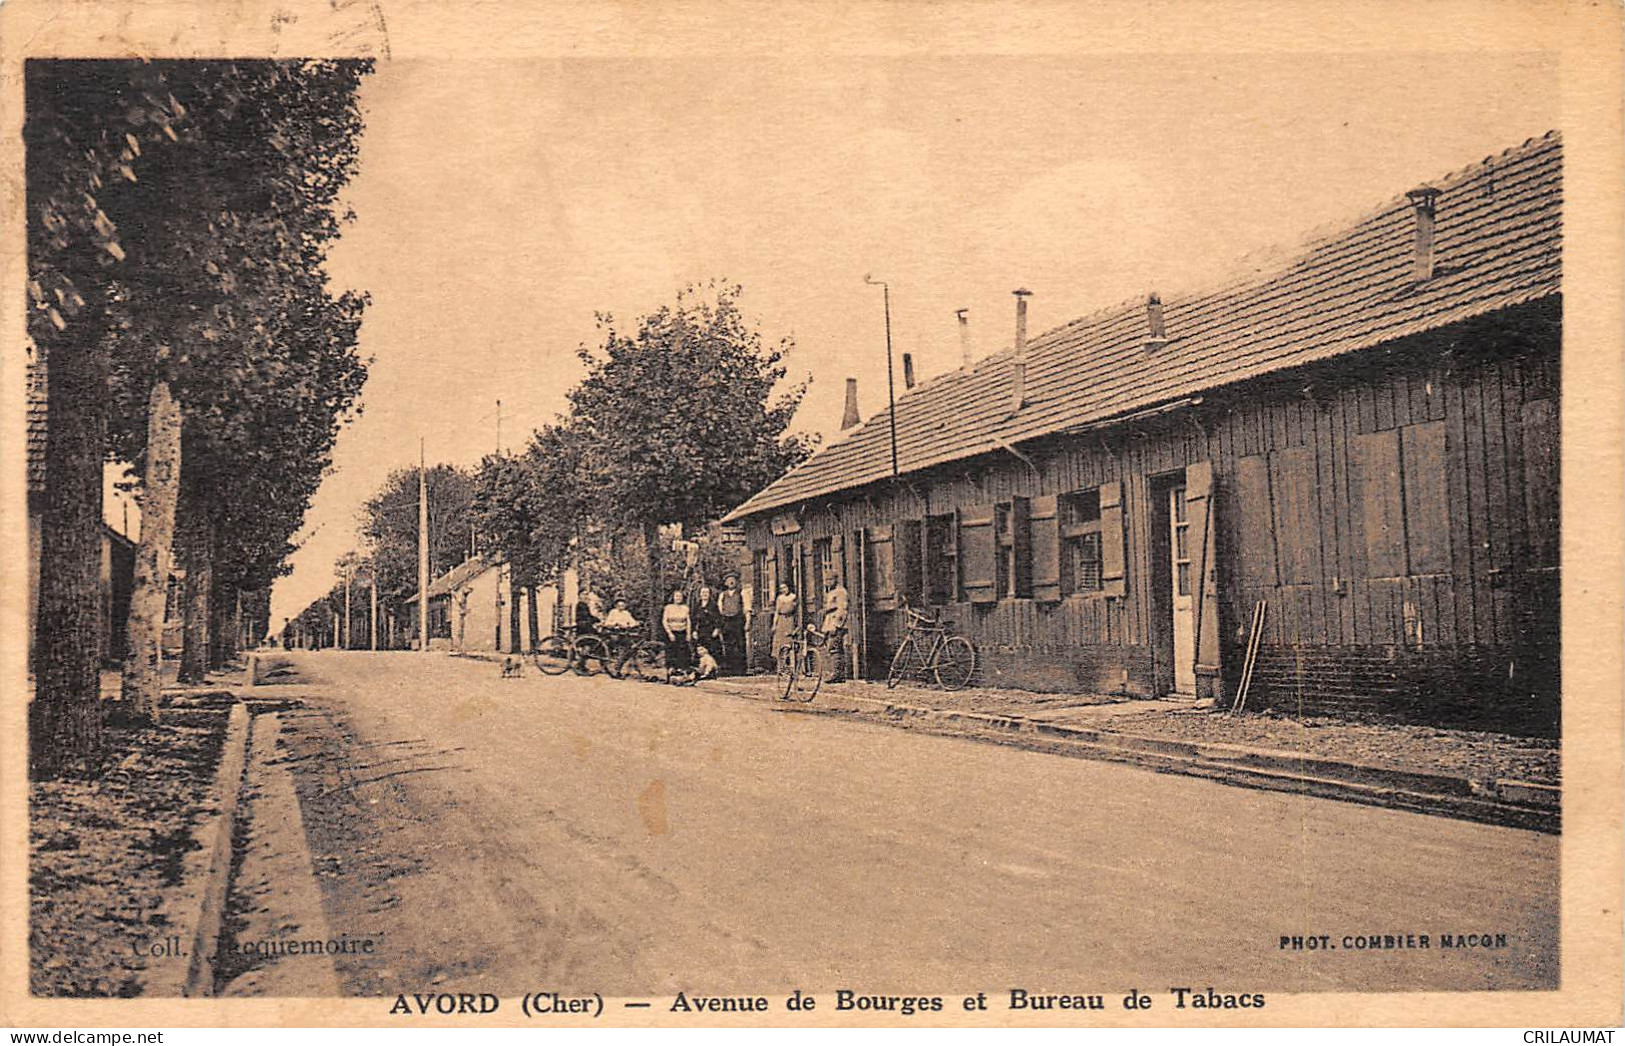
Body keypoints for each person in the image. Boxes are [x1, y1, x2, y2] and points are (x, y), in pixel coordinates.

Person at [821, 573, 851, 683]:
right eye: (826, 579)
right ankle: (838, 673)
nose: (828, 582)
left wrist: (836, 624)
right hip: (830, 620)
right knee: (832, 647)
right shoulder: (830, 592)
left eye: (830, 579)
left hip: (836, 622)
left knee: (835, 647)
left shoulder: (840, 592)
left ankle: (837, 674)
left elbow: (842, 609)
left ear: (836, 579)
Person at [717, 572, 747, 675]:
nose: (731, 582)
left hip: (738, 620)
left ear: (736, 582)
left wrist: (747, 622)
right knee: (728, 644)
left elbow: (746, 608)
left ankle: (741, 669)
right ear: (725, 583)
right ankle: (730, 669)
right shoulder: (723, 595)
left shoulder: (741, 593)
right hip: (727, 620)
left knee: (740, 644)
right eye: (729, 580)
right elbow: (720, 609)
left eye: (733, 580)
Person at [601, 597, 639, 673]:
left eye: (623, 605)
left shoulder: (626, 613)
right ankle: (614, 662)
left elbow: (633, 622)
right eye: (619, 605)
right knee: (616, 642)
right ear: (616, 606)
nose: (621, 607)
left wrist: (628, 626)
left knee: (631, 647)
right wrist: (615, 624)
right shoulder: (613, 612)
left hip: (624, 632)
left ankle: (621, 664)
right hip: (613, 632)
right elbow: (607, 623)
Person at [662, 588, 693, 677]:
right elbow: (664, 621)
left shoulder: (685, 608)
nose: (678, 598)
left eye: (680, 596)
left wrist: (688, 634)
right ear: (673, 597)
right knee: (671, 652)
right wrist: (669, 633)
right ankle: (670, 672)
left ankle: (681, 671)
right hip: (671, 633)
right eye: (676, 596)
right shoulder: (668, 608)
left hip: (682, 632)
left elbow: (688, 622)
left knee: (682, 652)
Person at [691, 584, 722, 666]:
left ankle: (714, 668)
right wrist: (693, 631)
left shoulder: (714, 605)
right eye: (703, 592)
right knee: (700, 650)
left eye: (707, 592)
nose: (705, 594)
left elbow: (719, 618)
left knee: (713, 649)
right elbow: (693, 619)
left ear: (709, 594)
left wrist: (717, 629)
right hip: (700, 630)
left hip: (711, 631)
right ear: (700, 594)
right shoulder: (697, 606)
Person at [771, 582, 798, 668]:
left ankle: (790, 664)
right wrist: (774, 624)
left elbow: (796, 610)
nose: (783, 590)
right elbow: (777, 612)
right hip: (781, 621)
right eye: (781, 588)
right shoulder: (780, 598)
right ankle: (781, 666)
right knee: (780, 643)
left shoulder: (793, 597)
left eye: (785, 587)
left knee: (789, 642)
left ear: (788, 587)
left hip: (790, 620)